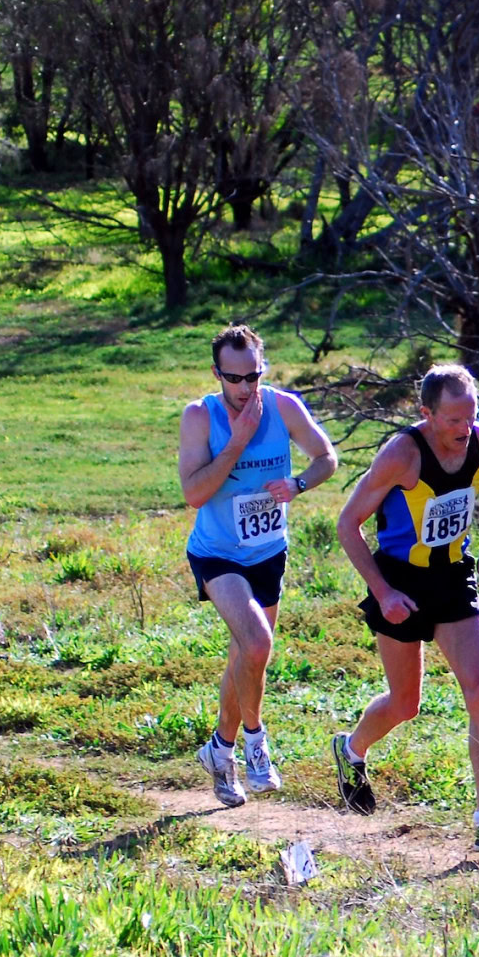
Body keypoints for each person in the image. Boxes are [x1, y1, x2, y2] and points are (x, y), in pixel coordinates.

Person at [331, 364, 479, 853]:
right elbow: (348, 524)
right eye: (453, 420)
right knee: (405, 704)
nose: (465, 429)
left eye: (471, 416)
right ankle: (351, 750)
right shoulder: (401, 455)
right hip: (400, 580)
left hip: (453, 575)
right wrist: (383, 592)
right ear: (426, 414)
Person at [180, 324, 338, 807]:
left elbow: (326, 457)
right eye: (235, 379)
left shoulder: (285, 407)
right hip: (217, 553)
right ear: (216, 374)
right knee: (257, 643)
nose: (247, 389)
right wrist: (236, 441)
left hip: (268, 551)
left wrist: (298, 485)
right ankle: (255, 740)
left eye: (254, 376)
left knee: (248, 657)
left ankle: (219, 752)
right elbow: (193, 494)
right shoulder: (199, 417)